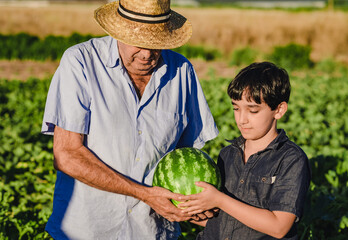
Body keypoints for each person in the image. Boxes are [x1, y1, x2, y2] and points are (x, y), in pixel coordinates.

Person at [41, 0, 218, 239]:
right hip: (88, 231)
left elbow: (184, 156)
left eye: (155, 44)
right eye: (137, 42)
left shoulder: (182, 72)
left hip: (153, 232)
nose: (146, 54)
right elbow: (67, 155)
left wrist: (194, 205)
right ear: (117, 31)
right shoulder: (81, 63)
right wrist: (145, 194)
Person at [178, 62, 311, 239]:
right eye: (236, 108)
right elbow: (224, 218)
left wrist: (219, 199)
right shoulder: (227, 155)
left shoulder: (291, 160)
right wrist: (192, 210)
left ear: (279, 110)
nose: (242, 119)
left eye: (253, 110)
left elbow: (279, 226)